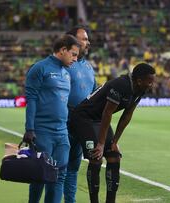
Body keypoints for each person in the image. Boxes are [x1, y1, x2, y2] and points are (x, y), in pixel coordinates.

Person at [69, 63, 155, 203]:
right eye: (150, 81)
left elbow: (127, 115)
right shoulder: (121, 85)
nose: (152, 84)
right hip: (84, 117)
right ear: (139, 80)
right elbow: (107, 113)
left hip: (99, 119)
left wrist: (114, 142)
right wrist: (101, 143)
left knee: (114, 156)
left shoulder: (140, 89)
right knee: (96, 157)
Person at [22, 34, 80, 203]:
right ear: (63, 50)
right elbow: (31, 99)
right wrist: (29, 128)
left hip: (62, 132)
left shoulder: (67, 74)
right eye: (73, 54)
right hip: (42, 131)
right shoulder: (40, 69)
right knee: (40, 175)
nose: (76, 59)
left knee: (59, 175)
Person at [63, 26, 97, 203]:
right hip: (62, 125)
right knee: (56, 168)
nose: (88, 42)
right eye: (84, 39)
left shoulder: (89, 67)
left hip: (81, 127)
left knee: (73, 169)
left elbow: (94, 95)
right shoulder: (63, 65)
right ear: (72, 41)